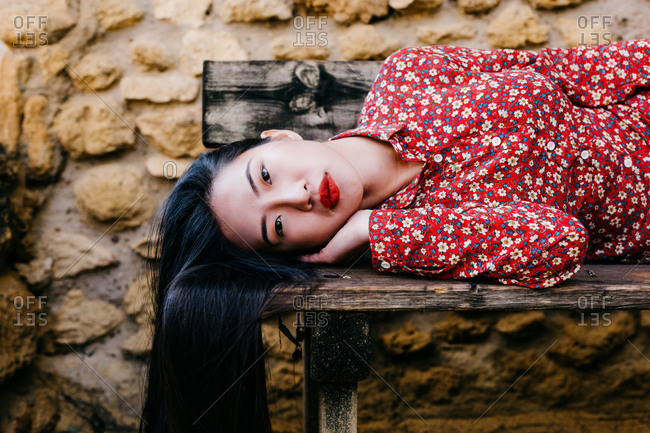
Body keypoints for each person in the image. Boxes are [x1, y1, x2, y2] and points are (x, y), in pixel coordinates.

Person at [140, 39, 650, 433]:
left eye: (266, 175)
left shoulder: (407, 76)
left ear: (279, 136)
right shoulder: (420, 231)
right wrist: (374, 228)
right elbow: (559, 243)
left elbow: (562, 70)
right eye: (277, 227)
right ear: (301, 249)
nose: (297, 198)